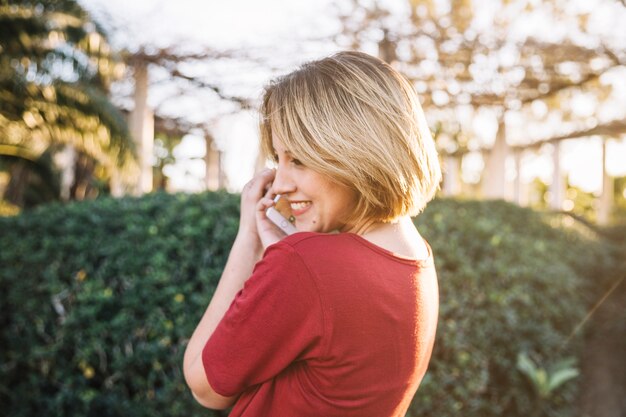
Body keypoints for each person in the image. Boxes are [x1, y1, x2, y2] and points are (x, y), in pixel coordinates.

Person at [183, 50, 442, 416]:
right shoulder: (417, 260)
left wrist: (250, 240)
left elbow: (205, 387)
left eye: (300, 160)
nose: (281, 183)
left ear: (357, 152)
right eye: (278, 160)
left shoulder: (307, 264)